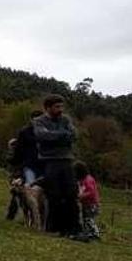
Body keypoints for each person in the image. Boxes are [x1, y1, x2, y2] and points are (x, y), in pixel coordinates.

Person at [33, 94, 84, 239]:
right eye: (57, 107)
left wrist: (56, 136)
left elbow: (74, 135)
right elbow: (42, 136)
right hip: (50, 161)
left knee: (71, 194)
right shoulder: (39, 121)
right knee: (54, 195)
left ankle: (74, 228)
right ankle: (54, 227)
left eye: (61, 106)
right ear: (48, 108)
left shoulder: (66, 120)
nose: (60, 110)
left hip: (67, 160)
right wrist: (62, 135)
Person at [10, 110, 44, 185]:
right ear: (31, 120)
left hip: (44, 165)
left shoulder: (46, 132)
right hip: (29, 164)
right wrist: (16, 163)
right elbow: (19, 150)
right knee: (30, 185)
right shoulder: (24, 132)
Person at [75, 161, 100, 240]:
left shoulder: (88, 180)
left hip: (92, 204)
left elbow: (91, 192)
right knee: (85, 218)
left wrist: (81, 196)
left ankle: (95, 233)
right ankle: (88, 232)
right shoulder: (82, 180)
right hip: (86, 204)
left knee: (89, 219)